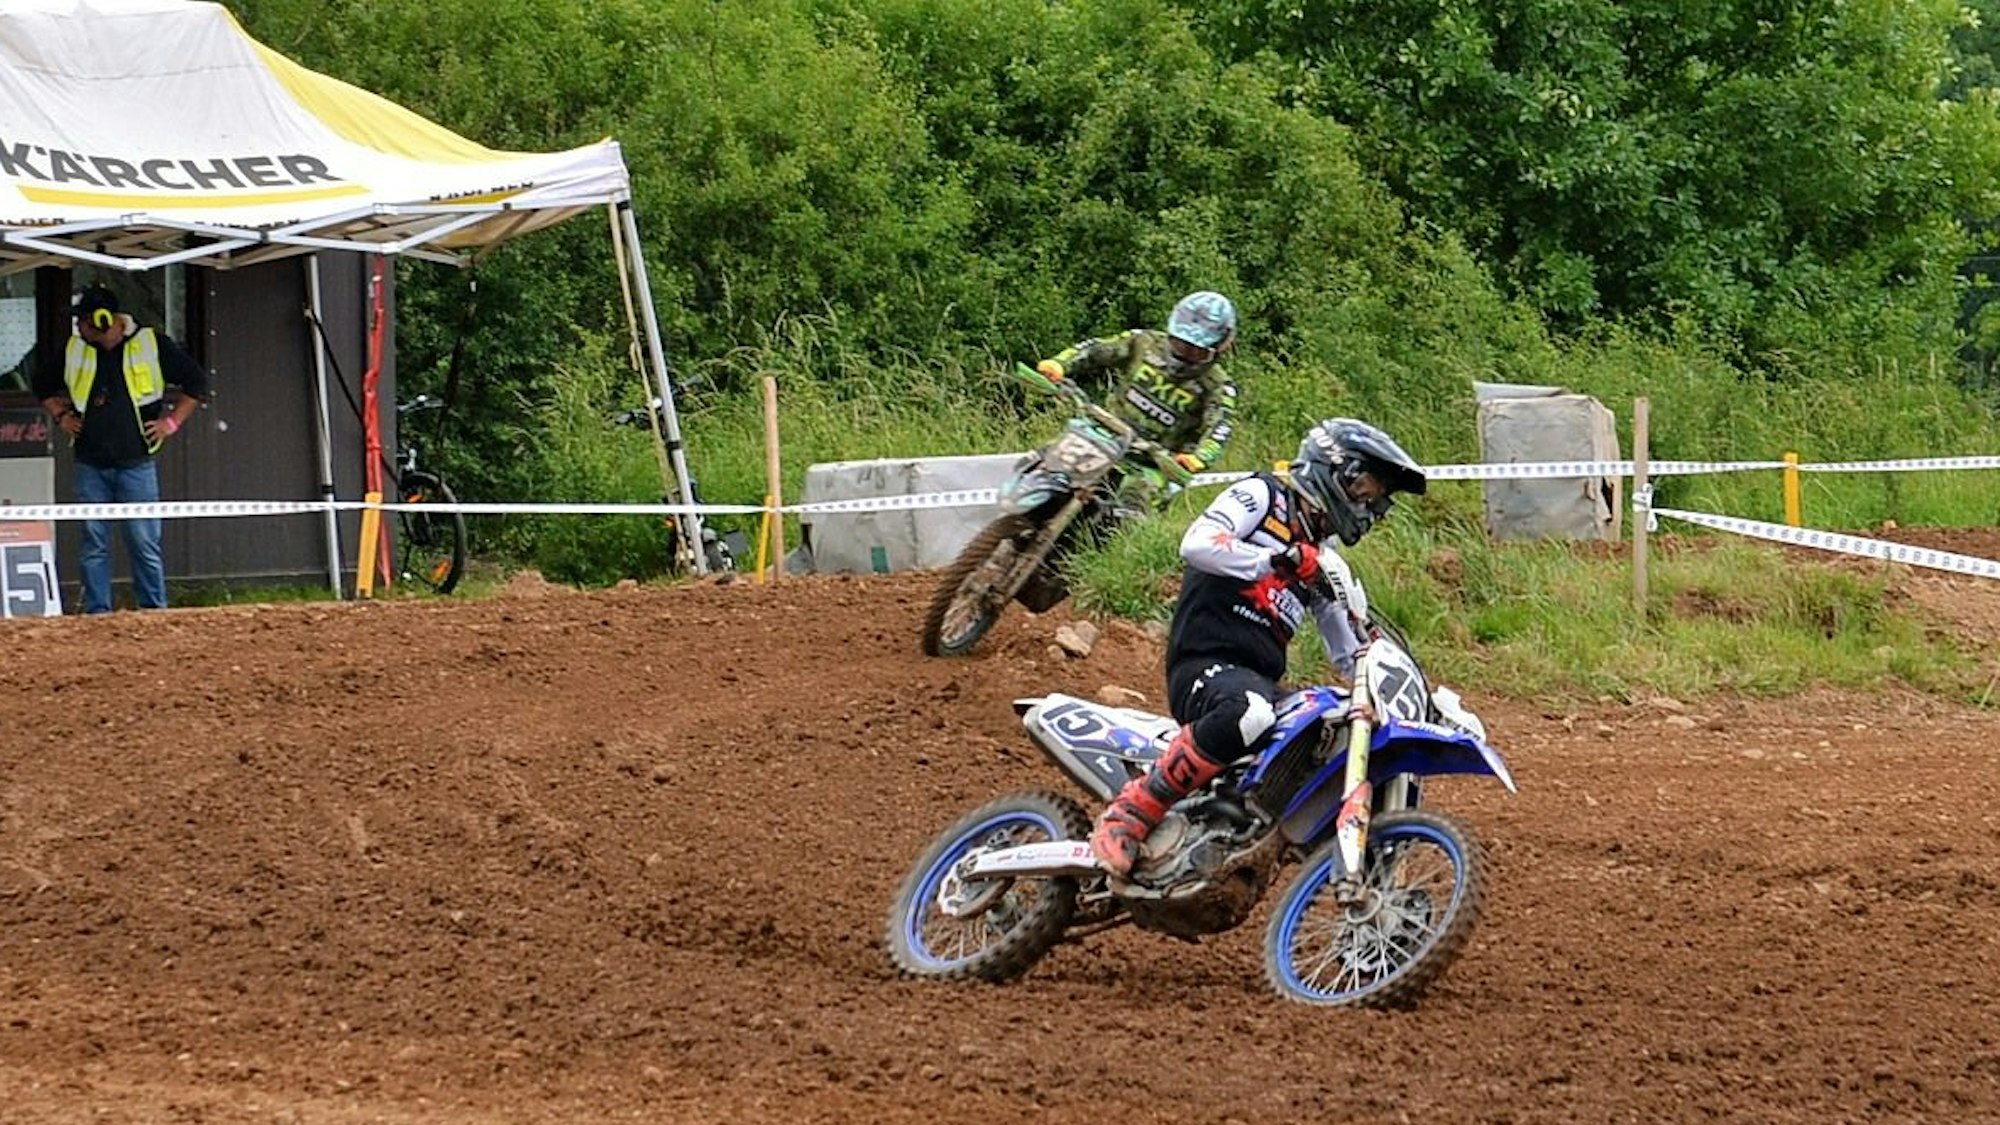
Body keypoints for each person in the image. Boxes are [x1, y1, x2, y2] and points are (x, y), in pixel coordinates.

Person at [1088, 416, 1429, 877]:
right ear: (1336, 471)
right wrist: (1275, 559)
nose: (1371, 507)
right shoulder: (1263, 496)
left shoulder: (1323, 560)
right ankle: (1131, 811)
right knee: (1250, 712)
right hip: (1205, 664)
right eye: (1367, 489)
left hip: (1259, 680)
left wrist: (1411, 697)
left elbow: (1351, 650)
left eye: (1379, 500)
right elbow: (1197, 544)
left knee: (1328, 727)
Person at [32, 285, 209, 613]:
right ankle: (98, 612)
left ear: (100, 320)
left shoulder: (152, 344)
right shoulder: (75, 349)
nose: (78, 327)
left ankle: (153, 611)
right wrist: (61, 416)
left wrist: (171, 423)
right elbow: (41, 384)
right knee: (94, 544)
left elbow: (197, 383)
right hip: (90, 463)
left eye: (82, 320)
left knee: (144, 543)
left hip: (136, 463)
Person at [1028, 290, 1239, 515]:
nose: (1184, 355)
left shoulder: (1218, 386)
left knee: (1132, 508)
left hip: (1153, 463)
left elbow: (1220, 427)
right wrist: (1060, 364)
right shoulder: (1144, 342)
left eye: (1196, 352)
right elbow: (1097, 349)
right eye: (1179, 344)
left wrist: (1199, 458)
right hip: (1101, 435)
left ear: (1218, 350)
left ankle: (1112, 532)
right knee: (1042, 463)